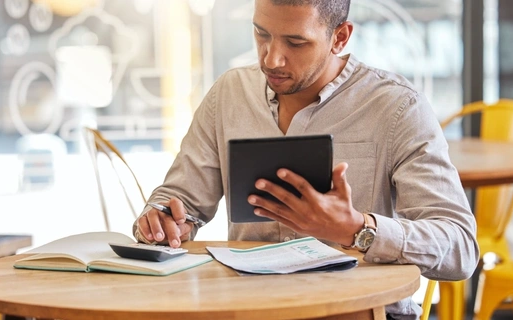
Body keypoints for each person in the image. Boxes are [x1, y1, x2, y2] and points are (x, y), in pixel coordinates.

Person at [133, 0, 479, 319]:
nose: (271, 59)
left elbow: (460, 248)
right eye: (261, 34)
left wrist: (358, 230)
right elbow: (180, 201)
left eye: (295, 43)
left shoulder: (397, 108)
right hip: (249, 308)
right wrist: (165, 220)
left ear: (339, 37)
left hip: (360, 313)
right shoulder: (228, 94)